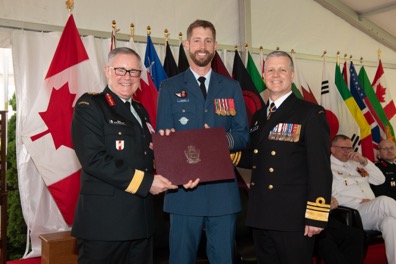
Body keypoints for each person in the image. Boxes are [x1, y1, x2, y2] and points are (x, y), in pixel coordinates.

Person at [71, 47, 178, 264]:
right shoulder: (90, 106)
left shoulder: (140, 110)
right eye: (121, 70)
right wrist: (147, 183)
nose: (127, 78)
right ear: (107, 70)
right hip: (105, 226)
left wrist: (170, 147)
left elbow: (144, 154)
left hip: (142, 223)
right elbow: (94, 160)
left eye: (134, 72)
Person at [156, 19, 249, 263]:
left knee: (223, 258)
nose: (202, 46)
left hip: (222, 193)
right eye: (197, 40)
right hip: (183, 191)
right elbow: (164, 140)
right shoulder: (169, 87)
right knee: (181, 258)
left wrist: (218, 141)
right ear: (187, 44)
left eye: (208, 41)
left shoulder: (231, 87)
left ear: (215, 46)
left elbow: (242, 135)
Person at [236, 50, 333, 263]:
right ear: (263, 76)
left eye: (282, 69)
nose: (275, 74)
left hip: (293, 217)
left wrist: (316, 214)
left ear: (292, 75)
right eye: (270, 69)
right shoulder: (260, 116)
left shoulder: (310, 113)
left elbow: (320, 169)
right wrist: (220, 150)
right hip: (261, 214)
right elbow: (256, 158)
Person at [330, 134, 396, 264]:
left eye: (350, 148)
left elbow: (380, 180)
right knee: (384, 200)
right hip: (353, 213)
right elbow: (330, 195)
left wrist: (364, 161)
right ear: (333, 149)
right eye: (344, 148)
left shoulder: (356, 164)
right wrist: (356, 200)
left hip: (371, 211)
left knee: (390, 222)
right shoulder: (326, 167)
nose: (348, 151)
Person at [316, 196, 365, 264]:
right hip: (302, 221)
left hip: (322, 217)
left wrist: (331, 201)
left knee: (355, 234)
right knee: (325, 240)